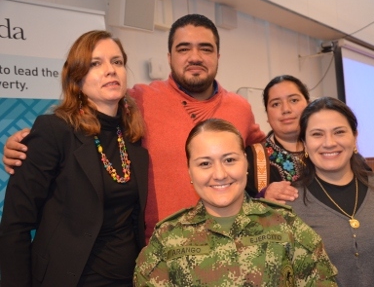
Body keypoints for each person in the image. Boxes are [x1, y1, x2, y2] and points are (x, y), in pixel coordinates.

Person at [2, 14, 266, 241]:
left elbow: (267, 148)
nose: (195, 57)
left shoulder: (240, 107)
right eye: (184, 48)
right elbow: (84, 112)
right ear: (169, 56)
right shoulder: (138, 99)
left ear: (218, 56)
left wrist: (271, 184)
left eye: (205, 49)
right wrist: (25, 141)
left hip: (228, 243)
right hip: (157, 250)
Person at [0, 30, 149, 286]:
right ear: (77, 80)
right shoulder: (54, 131)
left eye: (117, 62)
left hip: (130, 277)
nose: (110, 70)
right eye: (95, 63)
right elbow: (16, 224)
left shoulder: (134, 137)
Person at [133, 118, 338, 286]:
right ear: (190, 172)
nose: (220, 174)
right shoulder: (167, 240)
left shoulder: (287, 226)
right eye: (205, 163)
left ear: (246, 164)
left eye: (229, 160)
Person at [287, 96, 374, 286]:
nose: (329, 142)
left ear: (354, 138)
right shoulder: (291, 202)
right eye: (317, 134)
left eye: (339, 132)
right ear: (304, 143)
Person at [245, 75, 308, 203]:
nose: (286, 109)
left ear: (309, 105)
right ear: (267, 115)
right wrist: (262, 199)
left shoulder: (327, 149)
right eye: (276, 104)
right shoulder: (251, 158)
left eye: (294, 100)